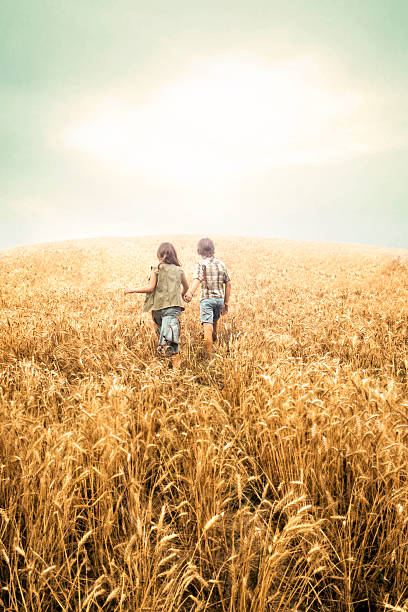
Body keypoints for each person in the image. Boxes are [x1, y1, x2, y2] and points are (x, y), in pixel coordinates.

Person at [124, 242, 189, 369]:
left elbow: (150, 288)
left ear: (159, 255)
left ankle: (169, 370)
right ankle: (175, 373)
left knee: (163, 339)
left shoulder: (156, 269)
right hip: (172, 310)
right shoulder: (179, 270)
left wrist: (132, 289)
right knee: (172, 342)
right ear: (174, 255)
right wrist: (180, 295)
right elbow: (186, 287)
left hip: (157, 310)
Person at [183, 238, 231, 358]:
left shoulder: (201, 264)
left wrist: (190, 293)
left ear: (199, 250)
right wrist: (226, 303)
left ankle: (209, 358)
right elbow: (228, 283)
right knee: (214, 323)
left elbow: (197, 279)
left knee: (207, 329)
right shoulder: (221, 264)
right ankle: (215, 342)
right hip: (219, 300)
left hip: (207, 300)